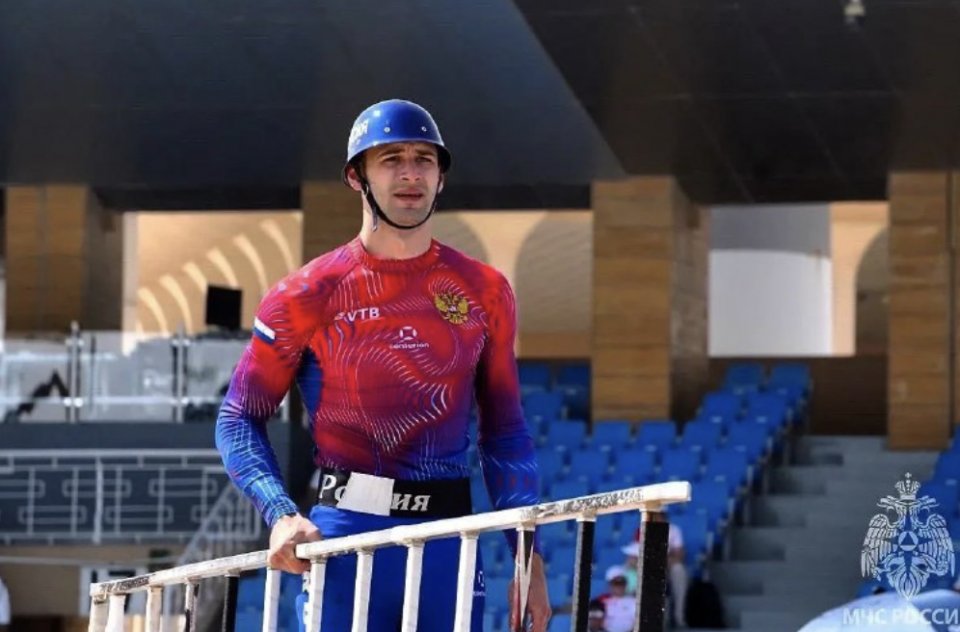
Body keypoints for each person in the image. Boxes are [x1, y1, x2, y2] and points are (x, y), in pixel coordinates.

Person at [215, 99, 550, 632]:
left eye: (424, 159)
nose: (411, 173)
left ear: (441, 177)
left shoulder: (485, 290)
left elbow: (505, 431)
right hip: (345, 538)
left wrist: (526, 554)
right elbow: (238, 416)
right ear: (357, 177)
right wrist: (280, 514)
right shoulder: (305, 294)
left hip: (448, 541)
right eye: (392, 159)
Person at [625, 522, 688, 627]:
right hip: (645, 567)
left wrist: (659, 562)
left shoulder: (672, 530)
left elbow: (678, 556)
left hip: (663, 568)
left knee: (676, 571)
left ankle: (677, 617)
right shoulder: (641, 529)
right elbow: (635, 552)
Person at [596, 567, 636, 632]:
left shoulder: (634, 602)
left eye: (621, 583)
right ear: (609, 584)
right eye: (616, 583)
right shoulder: (601, 601)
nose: (619, 586)